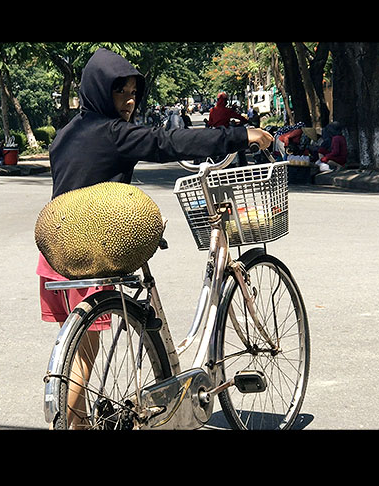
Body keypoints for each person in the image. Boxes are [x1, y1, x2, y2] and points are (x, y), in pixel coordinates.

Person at [38, 48, 273, 429]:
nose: (129, 101)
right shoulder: (114, 132)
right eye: (120, 92)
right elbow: (167, 141)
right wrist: (239, 135)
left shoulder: (66, 133)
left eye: (133, 92)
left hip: (53, 252)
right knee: (84, 357)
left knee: (77, 351)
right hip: (90, 251)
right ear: (99, 91)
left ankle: (78, 421)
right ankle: (70, 426)